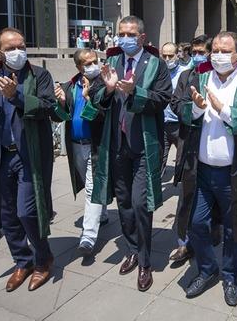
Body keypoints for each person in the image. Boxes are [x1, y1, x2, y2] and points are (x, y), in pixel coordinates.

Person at [174, 31, 237, 307]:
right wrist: (196, 109)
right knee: (195, 223)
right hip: (200, 170)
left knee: (233, 229)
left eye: (225, 51)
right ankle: (207, 269)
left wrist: (223, 109)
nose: (218, 55)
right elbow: (177, 105)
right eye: (214, 49)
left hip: (233, 173)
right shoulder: (197, 77)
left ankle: (230, 277)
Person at [0, 27, 56, 292]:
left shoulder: (39, 75)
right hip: (1, 156)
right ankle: (22, 261)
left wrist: (15, 96)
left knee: (26, 211)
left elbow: (48, 107)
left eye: (21, 46)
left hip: (29, 155)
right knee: (7, 216)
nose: (18, 52)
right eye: (10, 48)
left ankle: (43, 259)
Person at [88, 15, 171, 292]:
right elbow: (96, 97)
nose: (125, 38)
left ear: (142, 37)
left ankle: (145, 261)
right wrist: (109, 89)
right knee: (123, 203)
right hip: (117, 145)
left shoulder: (156, 64)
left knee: (140, 204)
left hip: (144, 145)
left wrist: (136, 92)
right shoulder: (111, 62)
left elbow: (163, 99)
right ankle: (132, 249)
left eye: (130, 34)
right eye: (121, 33)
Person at [53, 48, 108, 256]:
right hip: (76, 144)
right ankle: (102, 213)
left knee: (92, 187)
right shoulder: (69, 86)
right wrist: (60, 103)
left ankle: (88, 237)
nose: (93, 66)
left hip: (96, 145)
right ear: (78, 67)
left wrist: (89, 98)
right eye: (88, 63)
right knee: (87, 183)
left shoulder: (104, 85)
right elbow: (59, 117)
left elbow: (102, 115)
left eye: (95, 61)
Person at [168, 34, 212, 263]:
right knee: (187, 195)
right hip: (190, 146)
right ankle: (183, 243)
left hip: (214, 147)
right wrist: (194, 109)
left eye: (201, 52)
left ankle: (209, 240)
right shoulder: (187, 76)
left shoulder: (219, 77)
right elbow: (175, 103)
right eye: (193, 52)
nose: (197, 56)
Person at [160, 42, 189, 177]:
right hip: (162, 123)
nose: (167, 59)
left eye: (170, 56)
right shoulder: (158, 72)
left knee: (182, 162)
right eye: (164, 56)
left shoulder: (185, 74)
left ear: (177, 55)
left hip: (179, 124)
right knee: (158, 160)